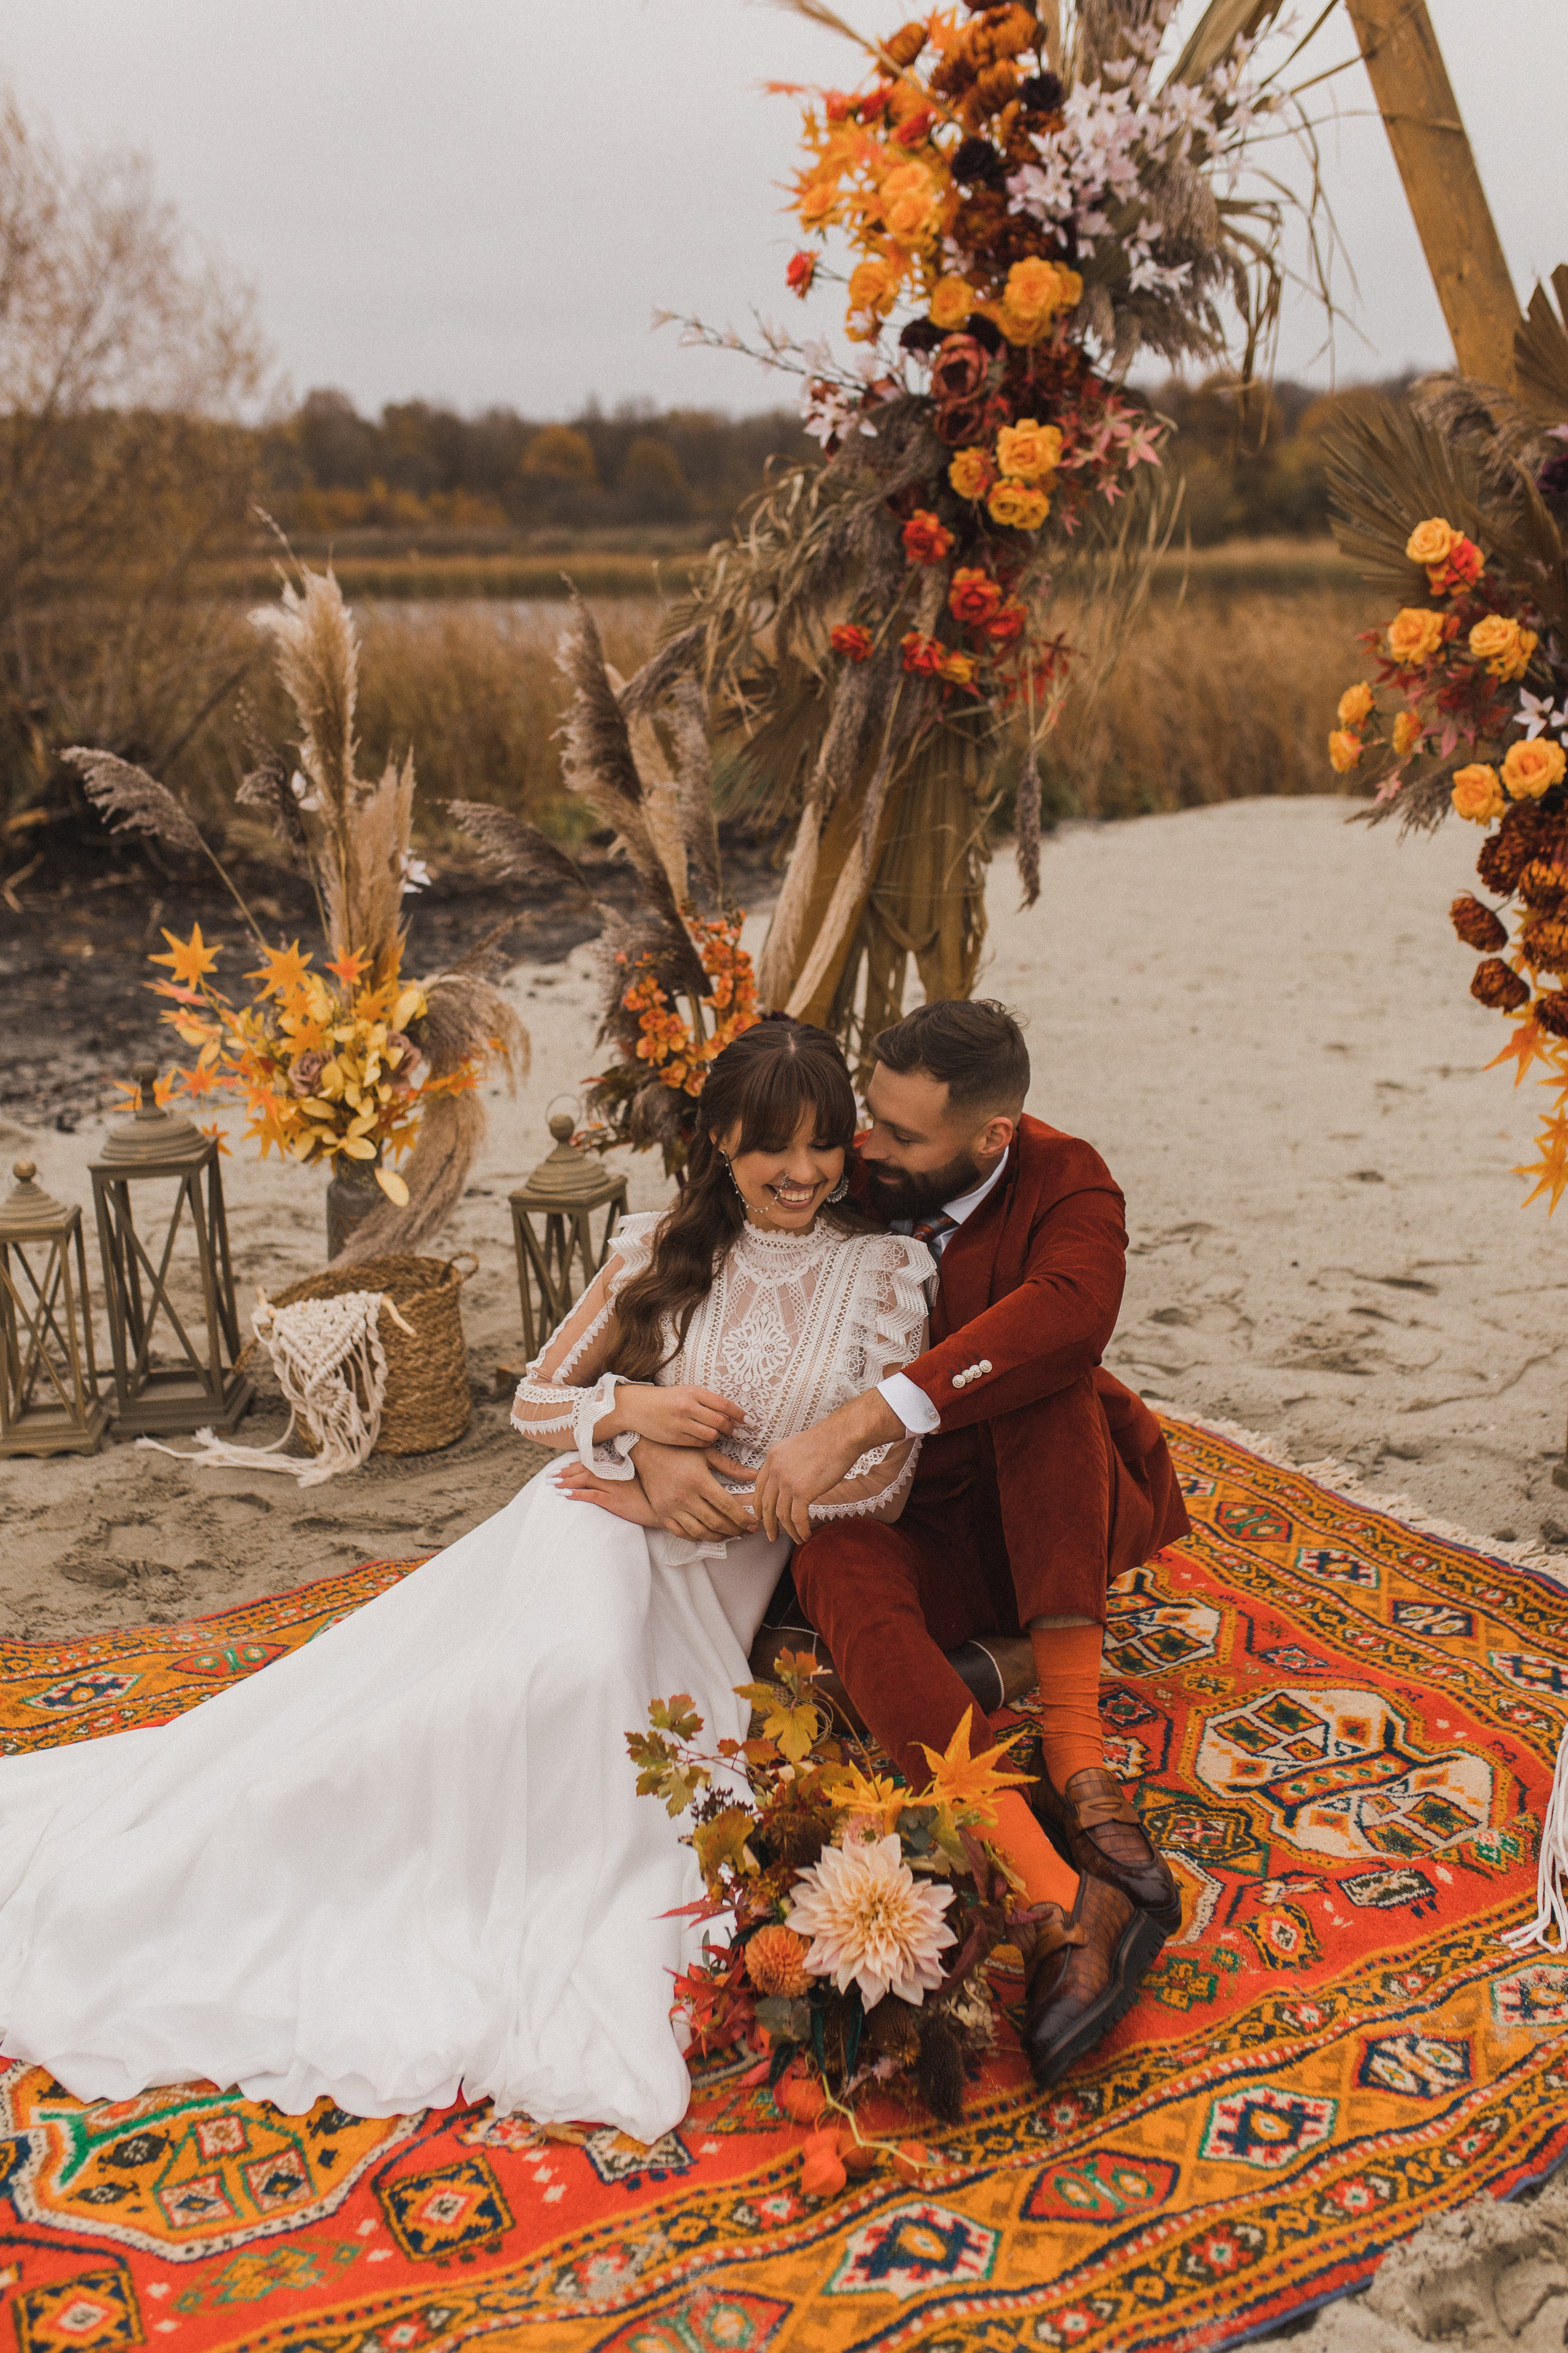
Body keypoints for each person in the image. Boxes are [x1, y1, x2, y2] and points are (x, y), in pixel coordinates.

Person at [0, 1020, 934, 2144]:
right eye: (771, 1149)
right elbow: (537, 1400)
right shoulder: (655, 1247)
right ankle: (223, 1859)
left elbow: (882, 1479)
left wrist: (713, 1501)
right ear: (719, 1147)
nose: (803, 1173)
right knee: (547, 1678)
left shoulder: (884, 1272)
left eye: (825, 1145)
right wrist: (634, 1424)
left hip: (710, 1570)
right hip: (584, 1529)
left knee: (558, 1714)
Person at [568, 1000, 1190, 2090]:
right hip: (899, 1522)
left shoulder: (1066, 1179)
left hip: (1034, 1513)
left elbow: (1072, 1313)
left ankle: (1079, 1758)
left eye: (900, 1137)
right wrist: (649, 1442)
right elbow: (721, 1241)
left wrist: (860, 1420)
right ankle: (1052, 1889)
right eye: (871, 1125)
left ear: (991, 1136)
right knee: (831, 1557)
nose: (865, 1153)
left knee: (1051, 1382)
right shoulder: (848, 1164)